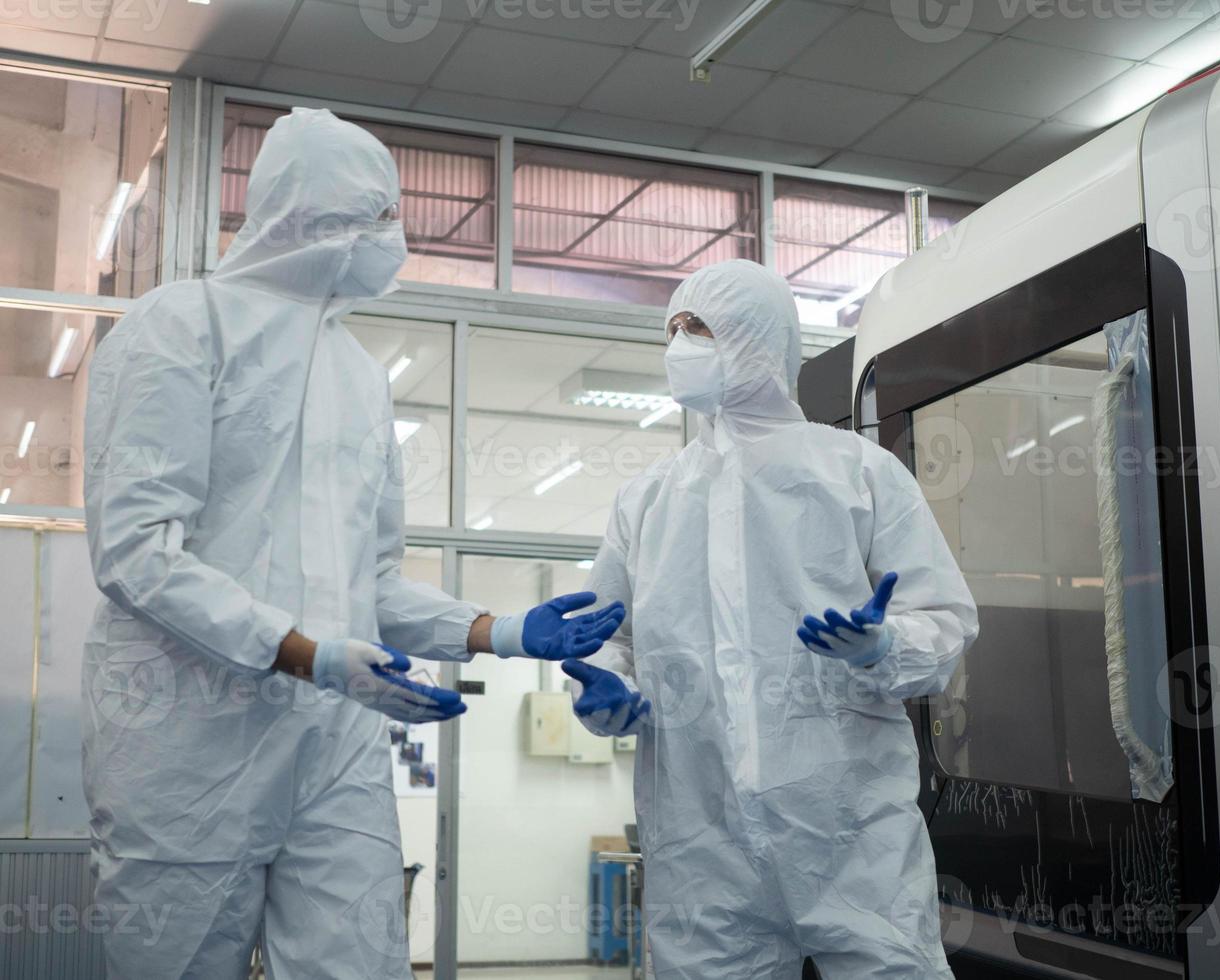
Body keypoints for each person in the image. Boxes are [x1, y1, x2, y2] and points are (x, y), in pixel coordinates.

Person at [81, 107, 623, 980]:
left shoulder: (357, 375)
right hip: (185, 751)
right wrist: (304, 653)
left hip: (334, 749)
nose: (390, 239)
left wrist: (502, 633)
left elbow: (372, 581)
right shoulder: (179, 326)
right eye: (377, 215)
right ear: (312, 215)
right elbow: (135, 551)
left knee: (359, 962)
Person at [563, 259, 978, 979]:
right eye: (672, 331)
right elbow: (607, 638)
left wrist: (880, 646)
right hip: (700, 836)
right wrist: (602, 694)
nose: (680, 347)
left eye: (700, 328)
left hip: (848, 829)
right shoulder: (648, 500)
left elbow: (940, 619)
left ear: (760, 339)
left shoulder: (858, 473)